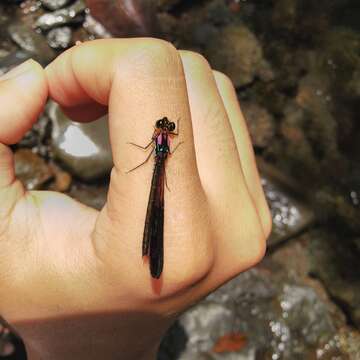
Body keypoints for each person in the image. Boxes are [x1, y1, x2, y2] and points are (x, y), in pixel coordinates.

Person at [0, 38, 271, 359]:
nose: (165, 127)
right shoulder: (166, 139)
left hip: (158, 169)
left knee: (157, 195)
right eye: (164, 126)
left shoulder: (161, 140)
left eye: (165, 127)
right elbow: (158, 149)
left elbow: (154, 151)